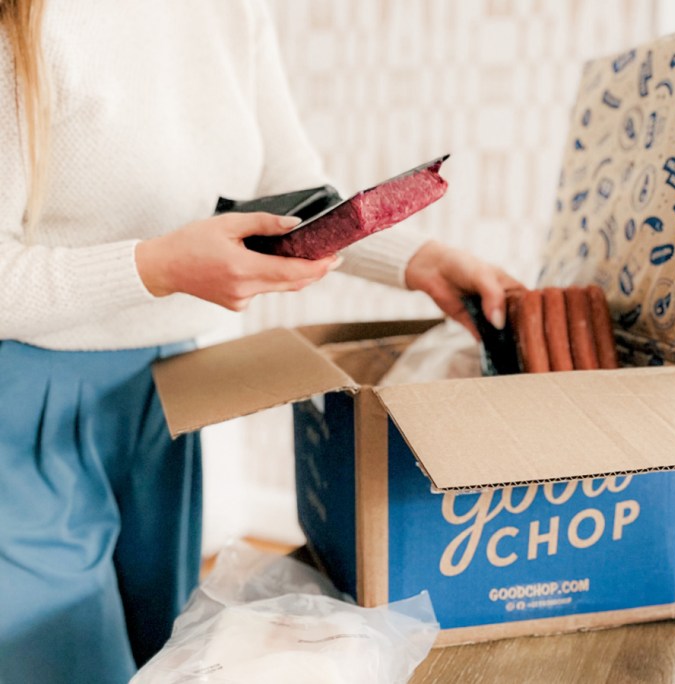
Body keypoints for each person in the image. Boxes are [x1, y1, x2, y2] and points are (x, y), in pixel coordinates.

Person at [0, 1, 520, 682]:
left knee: (164, 650)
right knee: (57, 658)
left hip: (169, 388)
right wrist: (158, 266)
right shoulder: (28, 21)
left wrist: (418, 259)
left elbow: (289, 191)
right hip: (26, 396)